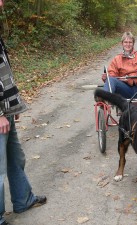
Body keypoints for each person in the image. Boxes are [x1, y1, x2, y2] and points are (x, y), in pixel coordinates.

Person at [0, 1, 47, 225]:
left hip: (6, 111)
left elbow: (3, 74)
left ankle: (23, 199)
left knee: (16, 158)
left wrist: (13, 106)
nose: (2, 3)